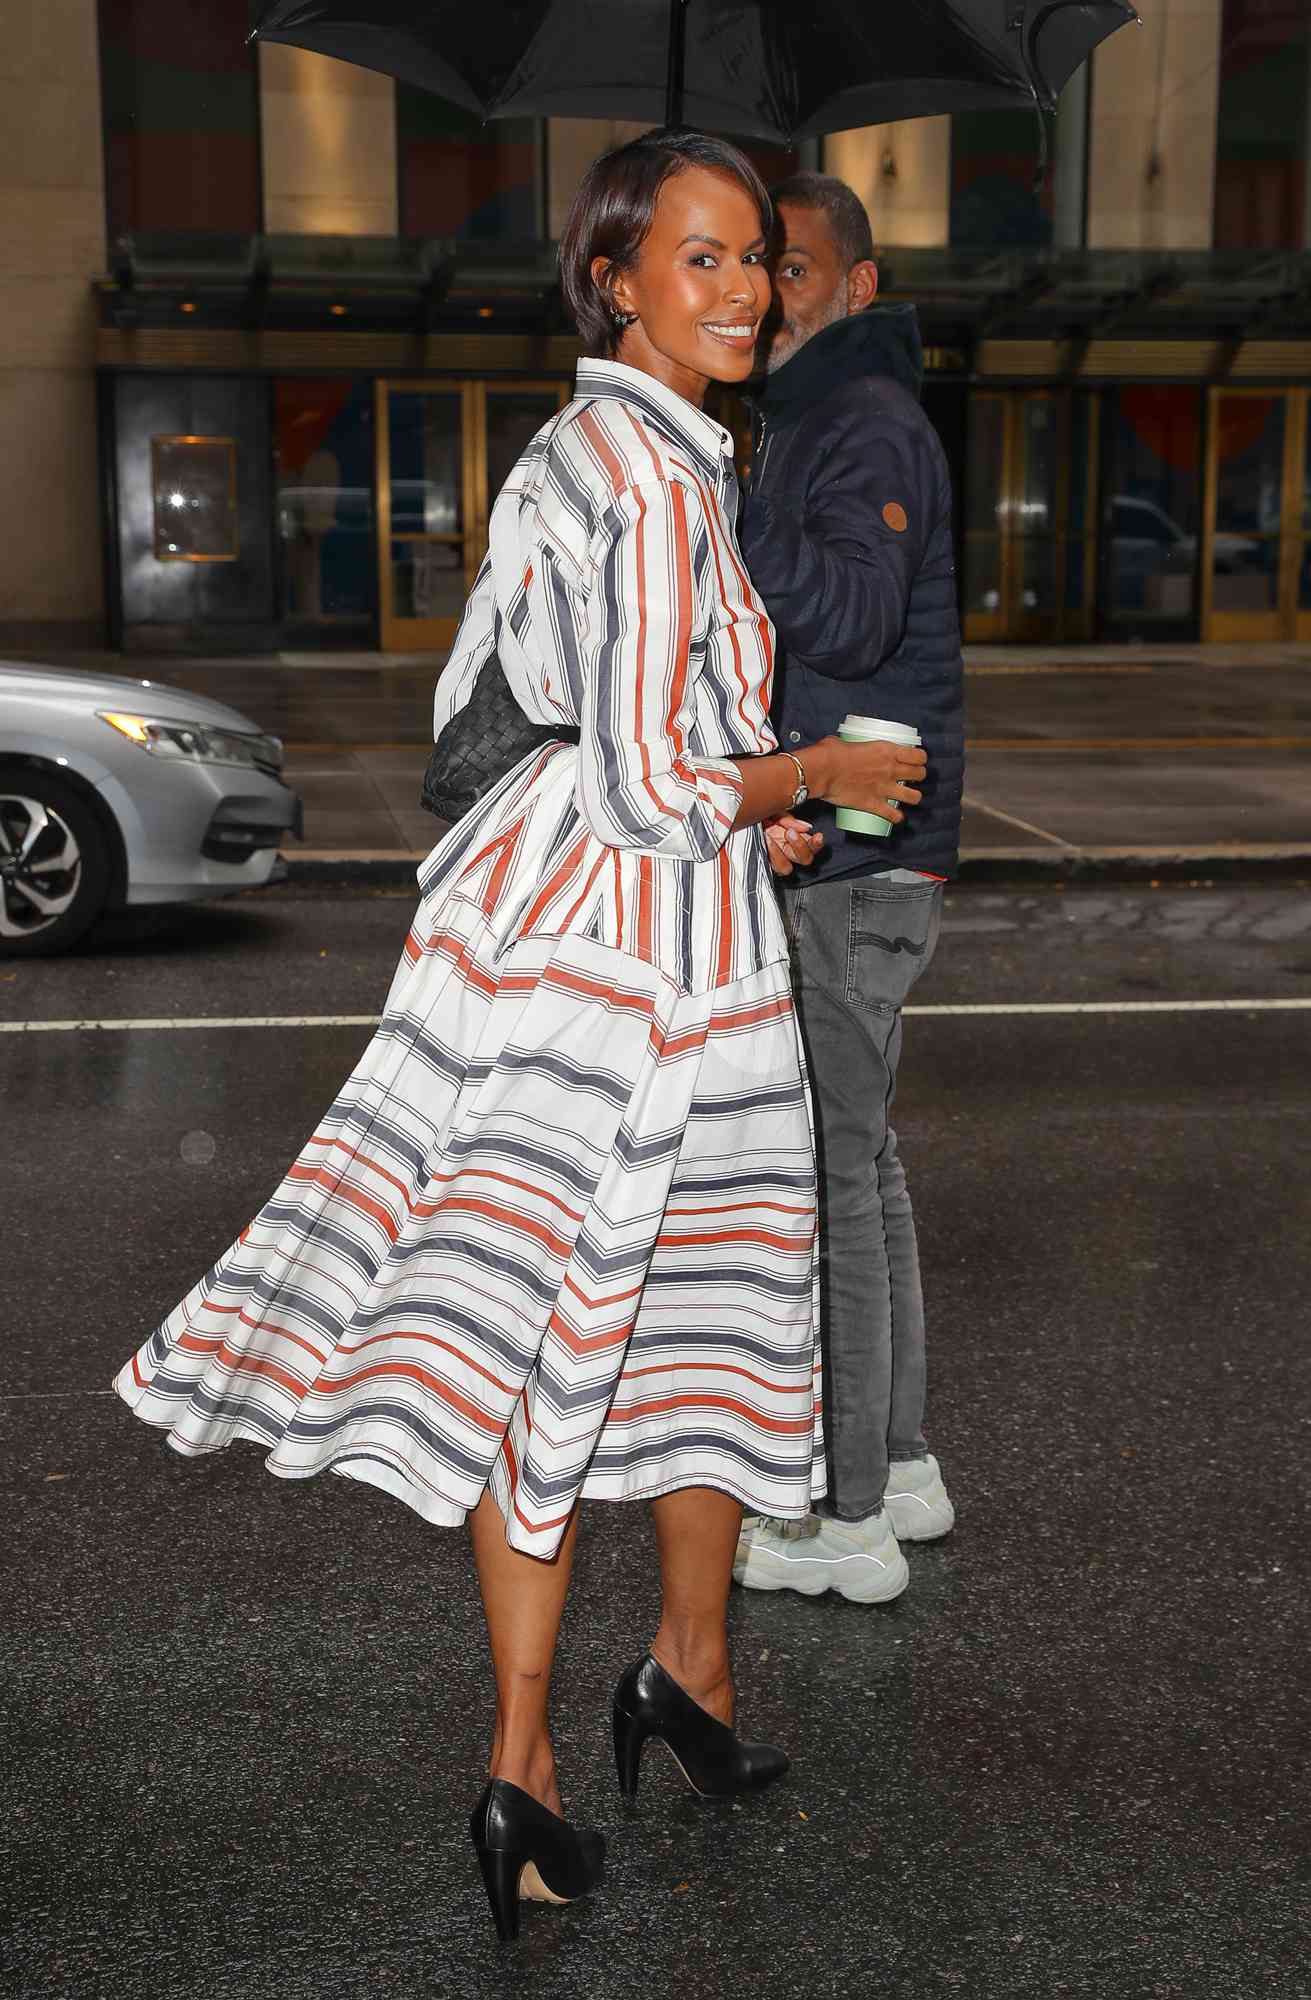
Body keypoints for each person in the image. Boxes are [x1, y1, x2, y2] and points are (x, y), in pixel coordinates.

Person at [111, 132, 927, 1945]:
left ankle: (662, 1693)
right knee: (594, 1329)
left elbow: (623, 729)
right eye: (696, 262)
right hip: (641, 974)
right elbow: (651, 782)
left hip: (597, 929)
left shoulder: (618, 451)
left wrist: (760, 810)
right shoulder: (646, 473)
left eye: (758, 265)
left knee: (667, 1313)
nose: (737, 293)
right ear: (615, 282)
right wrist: (820, 775)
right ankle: (531, 1762)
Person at [733, 172, 964, 1607]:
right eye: (763, 265)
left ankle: (845, 1516)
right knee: (866, 1169)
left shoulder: (858, 418)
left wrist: (720, 522)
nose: (773, 291)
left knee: (831, 1181)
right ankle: (907, 1469)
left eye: (797, 267)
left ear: (861, 288)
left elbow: (854, 615)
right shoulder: (823, 418)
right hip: (873, 856)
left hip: (857, 857)